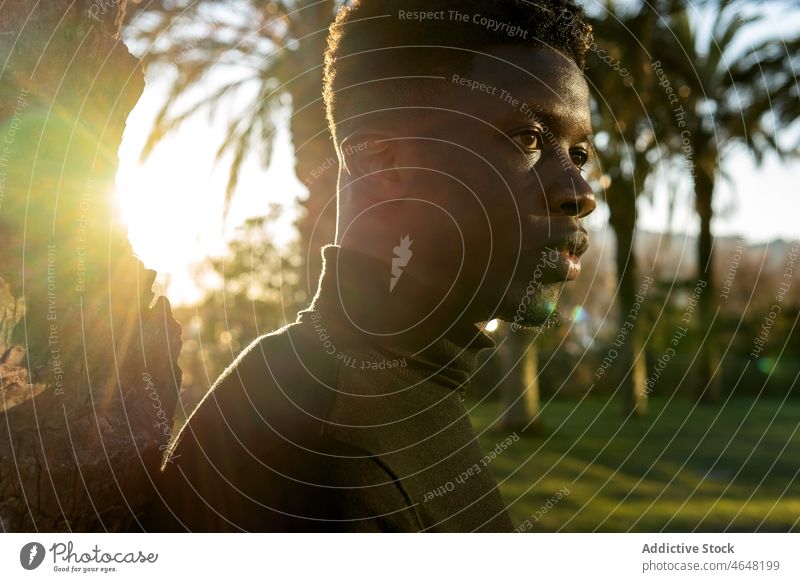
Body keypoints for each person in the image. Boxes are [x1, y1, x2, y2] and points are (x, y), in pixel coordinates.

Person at [148, 0, 596, 532]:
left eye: (579, 154)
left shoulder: (397, 391)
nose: (581, 192)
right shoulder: (322, 455)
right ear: (381, 161)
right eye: (528, 139)